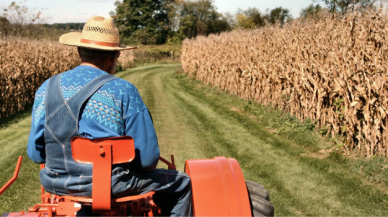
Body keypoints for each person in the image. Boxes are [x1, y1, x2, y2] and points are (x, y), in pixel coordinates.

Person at [26, 16, 192, 216]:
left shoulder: (46, 88)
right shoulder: (123, 90)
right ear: (114, 56)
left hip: (56, 182)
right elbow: (148, 161)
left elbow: (35, 155)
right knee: (183, 184)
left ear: (79, 51)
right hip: (111, 185)